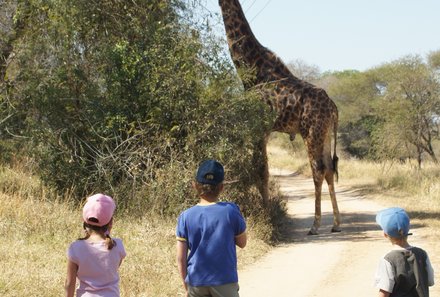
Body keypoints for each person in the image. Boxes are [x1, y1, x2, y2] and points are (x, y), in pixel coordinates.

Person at [176, 159, 247, 297]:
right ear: (222, 187)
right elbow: (242, 243)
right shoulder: (231, 211)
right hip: (224, 281)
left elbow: (180, 258)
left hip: (196, 283)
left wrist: (187, 287)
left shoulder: (185, 216)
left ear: (195, 185)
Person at [65, 193, 126, 297]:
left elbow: (70, 283)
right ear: (111, 222)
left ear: (84, 221)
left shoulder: (76, 248)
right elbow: (112, 269)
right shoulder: (118, 246)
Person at [374, 207, 434, 297]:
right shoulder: (422, 254)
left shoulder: (387, 260)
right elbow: (430, 281)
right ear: (408, 229)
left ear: (385, 234)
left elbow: (384, 292)